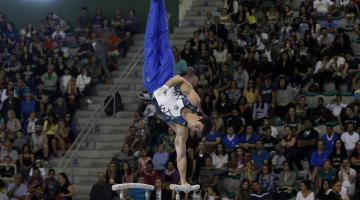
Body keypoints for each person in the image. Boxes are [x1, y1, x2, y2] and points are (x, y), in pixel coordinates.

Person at [143, 0, 211, 187]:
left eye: (197, 132)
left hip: (152, 85)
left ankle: (153, 4)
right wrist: (165, 88)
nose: (195, 130)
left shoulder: (181, 131)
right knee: (163, 37)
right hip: (166, 77)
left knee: (150, 40)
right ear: (199, 117)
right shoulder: (194, 100)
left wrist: (183, 181)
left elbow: (181, 157)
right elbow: (180, 80)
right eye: (199, 127)